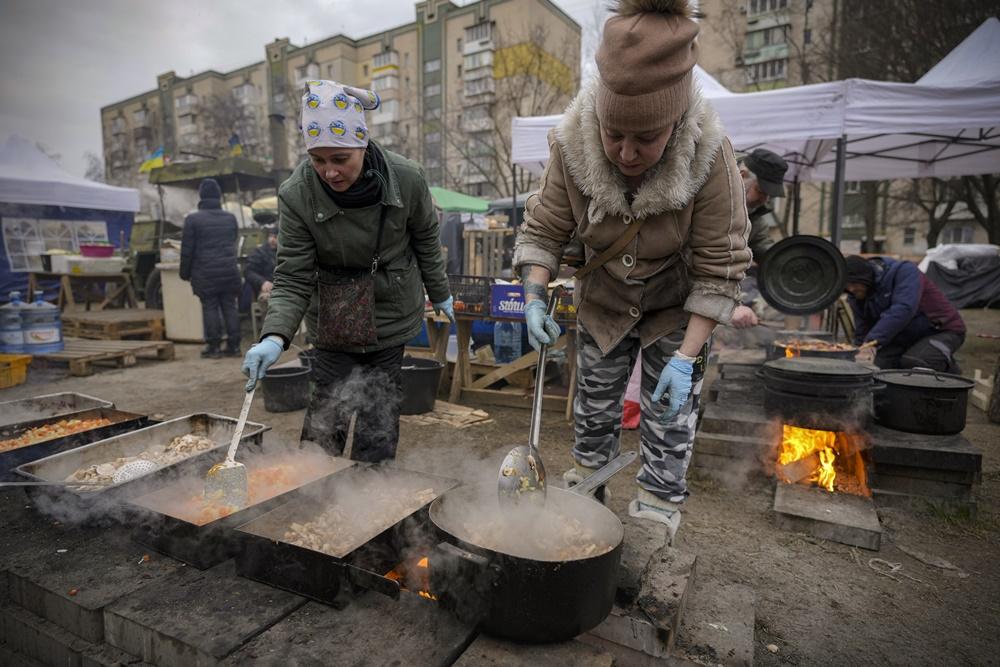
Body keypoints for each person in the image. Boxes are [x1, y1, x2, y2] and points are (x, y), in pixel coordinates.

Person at [514, 0, 751, 542]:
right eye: (613, 134)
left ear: (675, 121)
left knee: (668, 420)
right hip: (601, 302)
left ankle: (657, 511)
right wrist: (533, 296)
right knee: (594, 410)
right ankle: (588, 491)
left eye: (645, 139)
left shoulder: (710, 156)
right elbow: (545, 229)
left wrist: (687, 360)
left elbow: (721, 266)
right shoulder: (570, 144)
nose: (625, 152)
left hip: (675, 308)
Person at [241, 80, 453, 463]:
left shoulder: (407, 178)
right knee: (328, 410)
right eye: (318, 160)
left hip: (390, 302)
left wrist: (439, 291)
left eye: (340, 159)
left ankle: (370, 494)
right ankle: (314, 491)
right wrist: (274, 336)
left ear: (363, 144)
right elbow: (292, 274)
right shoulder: (296, 194)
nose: (329, 172)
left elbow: (425, 238)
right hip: (333, 311)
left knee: (378, 410)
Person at [844, 255, 966, 373]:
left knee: (917, 361)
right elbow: (862, 326)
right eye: (847, 286)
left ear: (865, 276)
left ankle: (951, 375)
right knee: (876, 369)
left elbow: (903, 309)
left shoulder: (904, 271)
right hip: (904, 336)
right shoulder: (857, 294)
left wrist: (872, 341)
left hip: (941, 330)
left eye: (854, 284)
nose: (851, 289)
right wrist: (858, 351)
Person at [180, 178, 242, 358]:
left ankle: (214, 347)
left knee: (210, 307)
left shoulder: (193, 220)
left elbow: (187, 251)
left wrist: (184, 273)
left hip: (205, 273)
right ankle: (234, 346)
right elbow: (233, 240)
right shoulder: (230, 218)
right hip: (229, 270)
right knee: (230, 306)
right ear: (218, 196)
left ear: (201, 196)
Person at [730, 148, 789, 329]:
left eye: (769, 194)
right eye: (761, 190)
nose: (764, 199)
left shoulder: (754, 216)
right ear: (742, 175)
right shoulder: (707, 200)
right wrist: (726, 304)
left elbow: (765, 250)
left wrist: (790, 264)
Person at [243, 225, 277, 303]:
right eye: (271, 236)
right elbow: (248, 271)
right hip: (268, 288)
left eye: (276, 237)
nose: (272, 240)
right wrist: (262, 282)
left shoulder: (288, 253)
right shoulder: (260, 252)